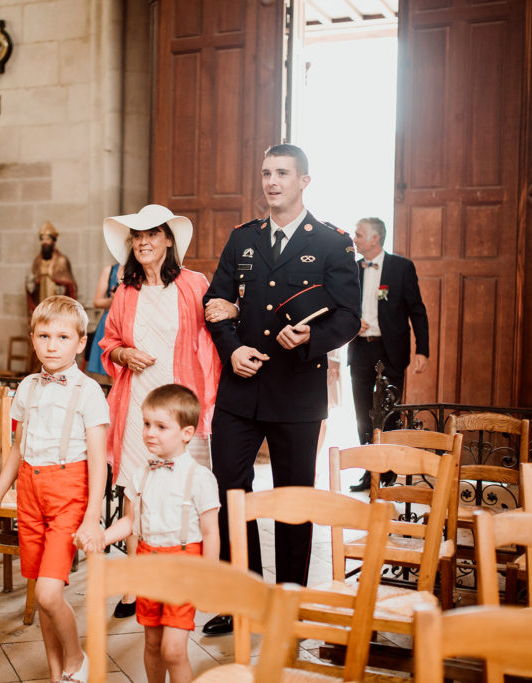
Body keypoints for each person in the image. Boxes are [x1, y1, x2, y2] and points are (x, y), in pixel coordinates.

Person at [200, 144, 360, 635]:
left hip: (296, 392)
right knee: (230, 491)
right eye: (267, 173)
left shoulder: (333, 242)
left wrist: (314, 337)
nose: (272, 182)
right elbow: (215, 300)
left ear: (303, 181)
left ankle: (289, 600)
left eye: (283, 174)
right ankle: (241, 595)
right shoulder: (242, 239)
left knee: (293, 499)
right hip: (240, 390)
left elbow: (350, 317)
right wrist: (230, 350)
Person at [99, 203, 221, 617]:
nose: (144, 242)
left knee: (183, 490)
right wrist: (124, 352)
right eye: (137, 237)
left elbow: (216, 330)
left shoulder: (194, 283)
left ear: (168, 239)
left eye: (152, 234)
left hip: (182, 400)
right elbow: (108, 342)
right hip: (137, 403)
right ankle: (134, 585)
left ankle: (184, 575)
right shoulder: (126, 290)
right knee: (136, 492)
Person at [0, 296, 108, 683]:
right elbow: (18, 449)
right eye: (45, 336)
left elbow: (100, 461)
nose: (53, 345)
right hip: (30, 494)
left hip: (69, 491)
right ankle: (58, 675)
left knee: (50, 594)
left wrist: (92, 518)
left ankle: (77, 661)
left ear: (80, 342)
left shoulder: (88, 392)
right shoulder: (28, 386)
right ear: (33, 339)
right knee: (40, 596)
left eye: (63, 337)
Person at [77, 384, 220, 683]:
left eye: (161, 426)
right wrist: (102, 536)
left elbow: (210, 532)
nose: (150, 432)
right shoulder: (141, 473)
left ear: (186, 432)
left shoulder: (200, 478)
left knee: (173, 649)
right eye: (146, 424)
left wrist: (209, 580)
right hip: (147, 565)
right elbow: (131, 521)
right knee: (153, 644)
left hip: (185, 566)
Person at [348, 216, 429, 491]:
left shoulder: (401, 268)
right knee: (363, 412)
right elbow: (342, 307)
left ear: (375, 239)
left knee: (390, 411)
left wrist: (423, 350)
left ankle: (389, 470)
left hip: (390, 350)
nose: (354, 238)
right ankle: (369, 470)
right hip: (360, 348)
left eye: (358, 235)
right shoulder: (352, 268)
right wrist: (351, 322)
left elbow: (417, 311)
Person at [27, 221, 77, 313]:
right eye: (42, 239)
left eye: (47, 239)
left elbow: (70, 285)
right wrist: (31, 285)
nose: (44, 242)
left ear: (53, 241)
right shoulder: (37, 261)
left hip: (56, 300)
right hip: (41, 299)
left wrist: (63, 288)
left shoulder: (61, 260)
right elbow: (33, 283)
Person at [85, 262, 120, 375]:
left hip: (130, 322)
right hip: (110, 322)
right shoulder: (110, 271)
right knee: (108, 371)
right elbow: (97, 301)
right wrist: (112, 300)